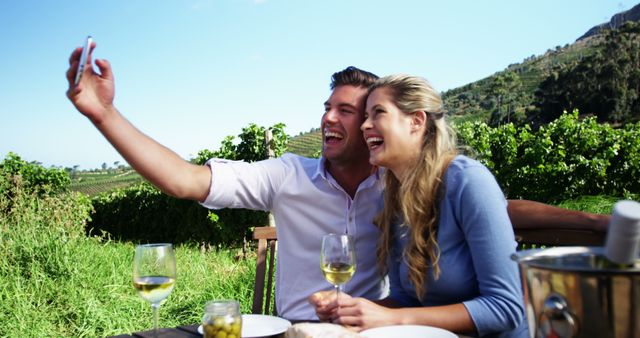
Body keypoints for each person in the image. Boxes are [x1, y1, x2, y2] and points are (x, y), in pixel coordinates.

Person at [65, 43, 608, 321]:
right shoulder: (295, 175)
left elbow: (488, 207)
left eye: (355, 112)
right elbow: (186, 180)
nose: (332, 119)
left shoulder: (412, 183)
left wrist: (598, 223)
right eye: (331, 108)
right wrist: (104, 115)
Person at [309, 75, 529, 337]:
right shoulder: (391, 198)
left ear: (416, 121)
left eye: (378, 113)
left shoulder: (467, 180)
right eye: (365, 115)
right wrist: (353, 310)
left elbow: (505, 307)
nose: (365, 125)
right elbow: (405, 301)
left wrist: (391, 318)